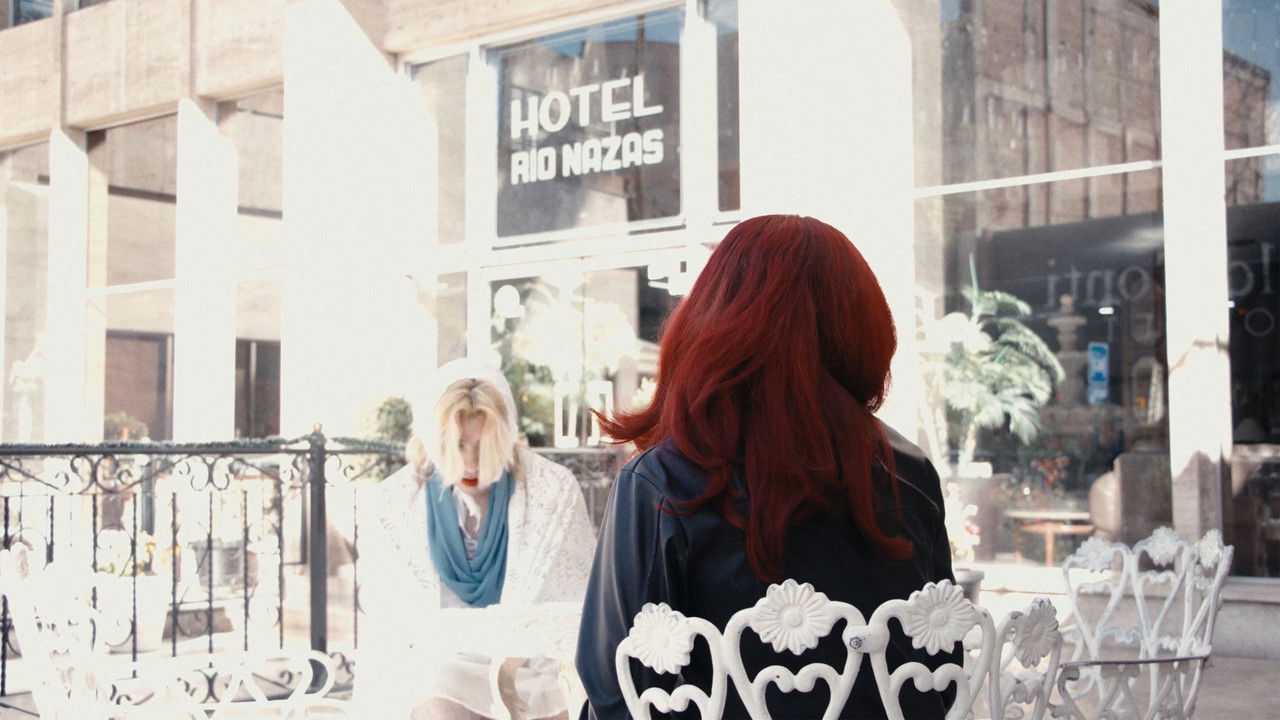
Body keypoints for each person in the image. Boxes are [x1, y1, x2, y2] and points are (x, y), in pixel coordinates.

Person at [575, 215, 959, 719]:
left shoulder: (664, 480)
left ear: (712, 321)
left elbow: (618, 688)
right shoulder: (909, 472)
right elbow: (942, 668)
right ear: (864, 329)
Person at [355, 359, 596, 719]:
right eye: (458, 445)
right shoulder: (394, 503)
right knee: (434, 688)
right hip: (443, 660)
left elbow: (574, 606)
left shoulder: (553, 490)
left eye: (484, 446)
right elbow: (391, 619)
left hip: (529, 663)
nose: (471, 462)